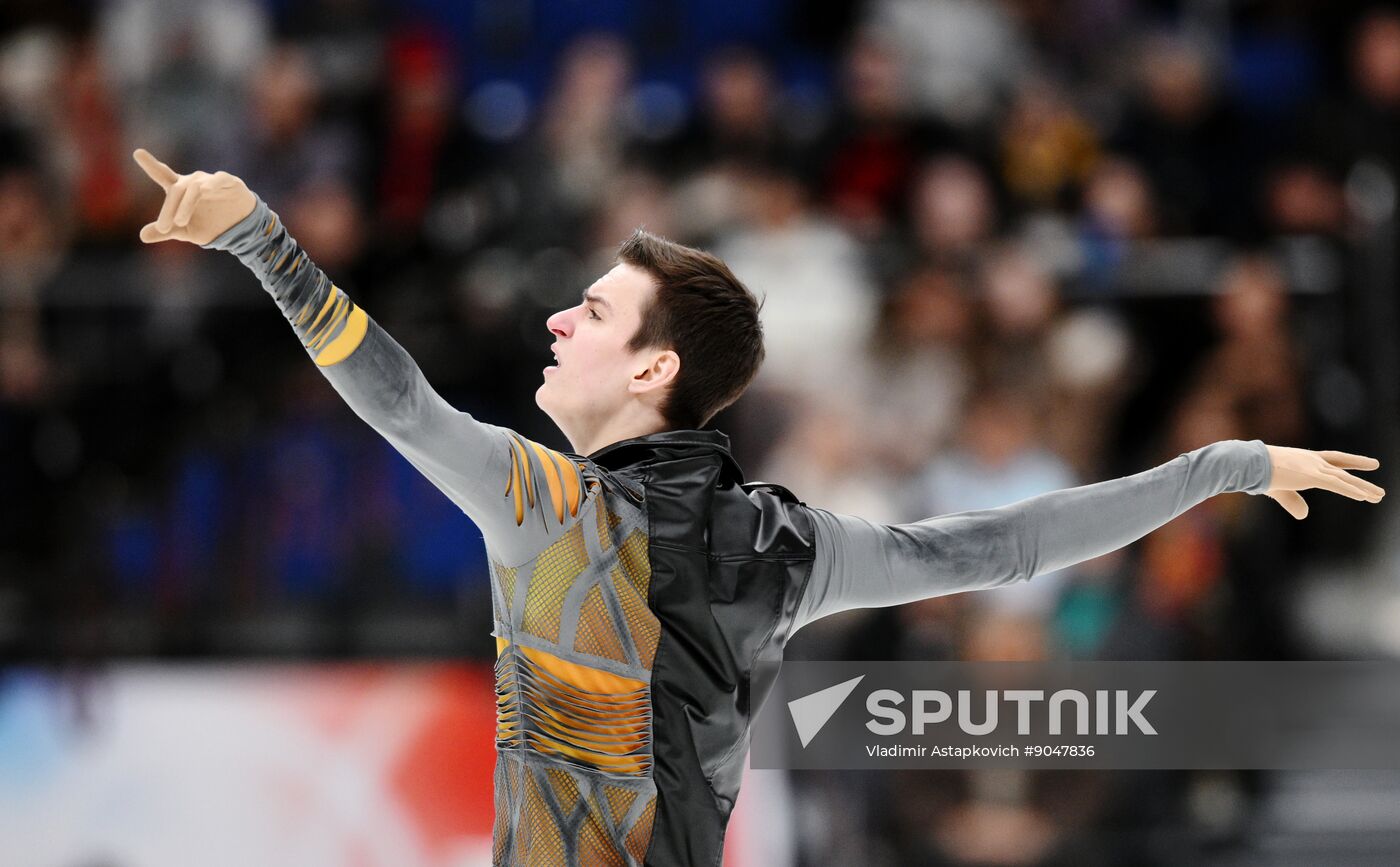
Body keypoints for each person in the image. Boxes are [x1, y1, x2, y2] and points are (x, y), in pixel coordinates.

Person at [131, 149, 1384, 867]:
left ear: (653, 370)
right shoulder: (787, 547)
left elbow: (399, 401)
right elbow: (1005, 545)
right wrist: (1218, 468)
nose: (558, 321)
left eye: (595, 314)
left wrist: (263, 244)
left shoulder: (552, 508)